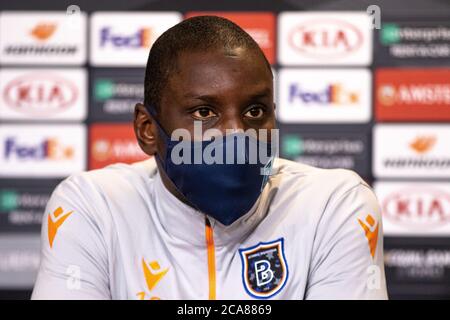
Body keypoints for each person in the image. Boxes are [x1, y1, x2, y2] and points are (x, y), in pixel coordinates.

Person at [31, 16, 387, 300]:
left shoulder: (333, 204)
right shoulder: (93, 207)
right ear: (147, 129)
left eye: (254, 110)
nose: (237, 133)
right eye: (204, 112)